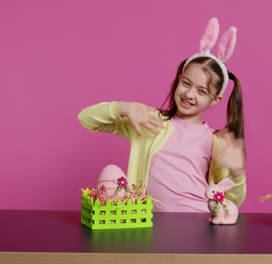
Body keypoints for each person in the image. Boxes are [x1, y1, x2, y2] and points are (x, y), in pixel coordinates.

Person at [77, 17, 246, 212]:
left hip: (198, 223)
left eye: (202, 91)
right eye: (186, 83)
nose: (189, 94)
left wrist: (237, 173)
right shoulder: (149, 121)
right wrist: (124, 108)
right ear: (179, 79)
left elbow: (234, 200)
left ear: (215, 99)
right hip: (149, 224)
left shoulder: (216, 142)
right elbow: (86, 118)